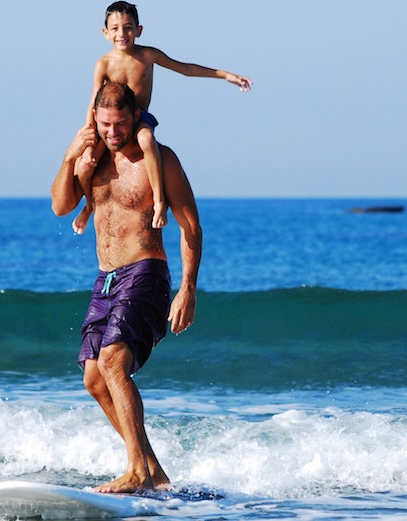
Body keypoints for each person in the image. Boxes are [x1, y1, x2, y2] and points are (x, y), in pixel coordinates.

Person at [51, 82, 202, 493]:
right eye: (104, 125)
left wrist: (188, 287)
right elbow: (61, 205)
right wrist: (70, 157)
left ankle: (136, 472)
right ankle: (153, 472)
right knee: (94, 378)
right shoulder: (92, 159)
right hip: (106, 279)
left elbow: (191, 225)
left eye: (119, 124)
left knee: (114, 362)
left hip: (146, 270)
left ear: (135, 117)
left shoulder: (159, 160)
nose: (112, 133)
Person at [71, 0, 251, 235]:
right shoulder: (103, 63)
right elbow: (95, 98)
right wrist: (88, 131)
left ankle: (159, 202)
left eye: (127, 27)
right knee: (84, 165)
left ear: (139, 30)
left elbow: (185, 69)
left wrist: (225, 75)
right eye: (115, 28)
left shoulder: (148, 55)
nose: (122, 33)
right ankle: (89, 205)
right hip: (112, 122)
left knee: (147, 141)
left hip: (139, 118)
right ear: (105, 33)